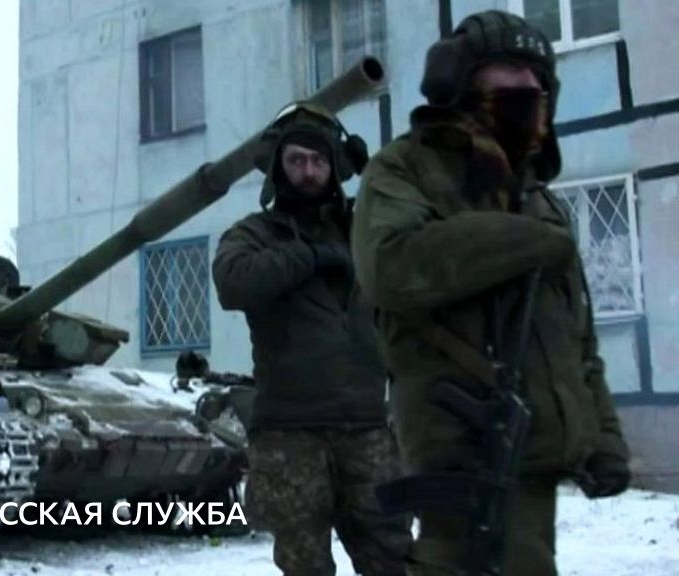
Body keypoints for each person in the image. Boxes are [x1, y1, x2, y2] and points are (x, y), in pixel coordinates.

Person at [350, 10, 632, 575]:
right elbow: (392, 266)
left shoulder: (538, 199)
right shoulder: (405, 169)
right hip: (460, 459)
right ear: (459, 81)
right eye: (508, 74)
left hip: (535, 464)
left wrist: (602, 435)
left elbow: (577, 340)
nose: (526, 90)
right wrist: (525, 240)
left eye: (537, 81)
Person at [213, 102, 411, 576]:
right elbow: (233, 283)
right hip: (290, 433)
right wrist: (307, 256)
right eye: (296, 160)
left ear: (336, 167)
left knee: (394, 558)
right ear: (277, 166)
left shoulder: (365, 230)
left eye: (319, 161)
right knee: (305, 565)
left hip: (367, 427)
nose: (308, 171)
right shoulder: (255, 233)